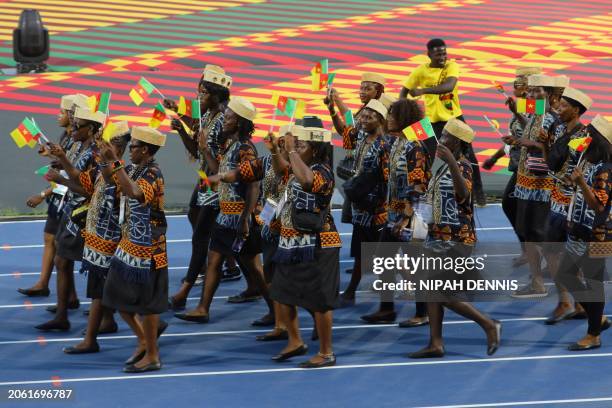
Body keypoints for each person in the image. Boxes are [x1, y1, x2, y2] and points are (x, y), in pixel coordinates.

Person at [174, 96, 273, 324]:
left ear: (238, 123)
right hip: (224, 214)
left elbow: (253, 184)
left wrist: (246, 219)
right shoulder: (231, 146)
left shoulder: (246, 149)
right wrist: (204, 150)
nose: (224, 121)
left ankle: (277, 311)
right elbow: (222, 173)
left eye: (228, 118)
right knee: (214, 260)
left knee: (255, 269)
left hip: (239, 217)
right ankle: (202, 308)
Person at [409, 119, 501, 359]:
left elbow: (464, 195)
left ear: (458, 143)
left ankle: (488, 325)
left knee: (442, 293)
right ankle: (435, 343)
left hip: (457, 239)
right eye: (443, 135)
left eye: (448, 137)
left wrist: (451, 162)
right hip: (436, 237)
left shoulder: (464, 166)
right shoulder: (440, 169)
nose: (442, 140)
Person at [49, 122, 133, 353]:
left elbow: (111, 181)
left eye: (107, 141)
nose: (101, 144)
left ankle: (150, 332)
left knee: (117, 294)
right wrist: (63, 166)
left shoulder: (122, 171)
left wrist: (107, 160)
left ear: (118, 145)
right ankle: (94, 337)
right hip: (98, 239)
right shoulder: (104, 166)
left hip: (110, 240)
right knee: (102, 291)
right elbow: (82, 180)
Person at [164, 65, 240, 311]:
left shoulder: (223, 122)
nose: (198, 97)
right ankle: (234, 267)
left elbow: (217, 161)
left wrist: (203, 147)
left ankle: (186, 289)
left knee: (202, 236)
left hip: (218, 183)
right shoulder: (209, 116)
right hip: (207, 180)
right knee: (197, 220)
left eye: (204, 93)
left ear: (217, 96)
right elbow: (197, 147)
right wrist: (182, 123)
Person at [267, 124, 342, 368]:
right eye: (296, 143)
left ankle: (326, 352)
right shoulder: (297, 166)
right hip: (290, 241)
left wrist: (291, 152)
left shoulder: (323, 171)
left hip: (319, 244)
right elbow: (281, 173)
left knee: (319, 300)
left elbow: (308, 182)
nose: (297, 147)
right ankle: (295, 340)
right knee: (283, 292)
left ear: (316, 149)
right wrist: (276, 152)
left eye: (302, 145)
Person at [101, 126, 169, 373]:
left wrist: (116, 163)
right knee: (115, 296)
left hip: (150, 249)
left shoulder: (152, 173)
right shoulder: (132, 168)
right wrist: (106, 160)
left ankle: (152, 355)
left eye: (134, 147)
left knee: (147, 306)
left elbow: (135, 192)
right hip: (129, 244)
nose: (130, 150)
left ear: (146, 150)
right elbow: (111, 179)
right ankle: (143, 340)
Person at [360, 99, 431, 326]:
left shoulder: (414, 146)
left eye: (392, 115)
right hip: (393, 215)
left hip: (410, 217)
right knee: (383, 258)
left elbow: (419, 184)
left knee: (414, 266)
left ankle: (424, 312)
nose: (388, 118)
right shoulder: (396, 143)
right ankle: (387, 308)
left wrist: (406, 216)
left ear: (404, 119)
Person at [35, 106, 105, 331]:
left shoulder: (95, 154)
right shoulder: (79, 146)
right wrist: (61, 159)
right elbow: (73, 173)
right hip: (71, 210)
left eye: (78, 126)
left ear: (91, 129)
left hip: (86, 216)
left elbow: (90, 190)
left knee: (97, 268)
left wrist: (61, 179)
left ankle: (107, 317)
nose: (72, 128)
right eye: (73, 124)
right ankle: (64, 313)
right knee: (62, 261)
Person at [399, 38, 486, 207]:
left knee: (469, 157)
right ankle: (422, 194)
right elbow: (404, 92)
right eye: (438, 54)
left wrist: (423, 90)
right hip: (432, 122)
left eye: (444, 53)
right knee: (424, 157)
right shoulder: (420, 71)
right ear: (429, 54)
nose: (442, 56)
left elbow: (449, 86)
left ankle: (479, 195)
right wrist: (404, 113)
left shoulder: (452, 66)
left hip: (455, 121)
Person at [19, 94, 86, 298]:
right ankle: (54, 288)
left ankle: (68, 296)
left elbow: (70, 176)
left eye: (62, 112)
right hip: (59, 195)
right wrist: (51, 156)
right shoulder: (67, 137)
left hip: (67, 198)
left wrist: (42, 194)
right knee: (52, 240)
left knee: (62, 249)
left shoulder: (78, 141)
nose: (58, 116)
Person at [556, 115, 611, 351]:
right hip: (579, 228)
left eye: (589, 134)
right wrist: (572, 181)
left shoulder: (606, 169)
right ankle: (597, 318)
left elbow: (599, 205)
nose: (585, 136)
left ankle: (593, 335)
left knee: (593, 281)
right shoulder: (587, 160)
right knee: (565, 274)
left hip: (597, 233)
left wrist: (581, 184)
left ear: (598, 140)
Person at [507, 74, 564, 298]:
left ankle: (560, 289)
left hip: (541, 186)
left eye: (537, 90)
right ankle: (537, 281)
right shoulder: (535, 114)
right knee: (528, 232)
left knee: (539, 235)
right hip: (525, 181)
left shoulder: (552, 119)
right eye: (530, 90)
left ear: (548, 93)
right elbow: (528, 131)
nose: (531, 94)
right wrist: (516, 116)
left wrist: (529, 143)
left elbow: (557, 152)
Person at [542, 87, 592, 324]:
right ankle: (566, 301)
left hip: (573, 204)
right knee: (552, 250)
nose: (558, 109)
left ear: (576, 110)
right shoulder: (561, 130)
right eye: (558, 105)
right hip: (556, 200)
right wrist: (543, 145)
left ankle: (579, 303)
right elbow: (550, 164)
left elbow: (560, 162)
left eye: (563, 106)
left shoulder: (583, 137)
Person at [482, 67, 541, 268]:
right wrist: (494, 157)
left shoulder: (535, 107)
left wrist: (517, 111)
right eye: (514, 83)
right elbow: (514, 140)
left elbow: (532, 134)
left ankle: (534, 251)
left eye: (518, 83)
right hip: (519, 166)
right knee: (514, 206)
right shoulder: (520, 107)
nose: (514, 87)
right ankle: (529, 248)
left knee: (514, 205)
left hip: (531, 168)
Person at [337, 99, 389, 306]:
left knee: (383, 256)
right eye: (362, 117)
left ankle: (352, 292)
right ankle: (351, 292)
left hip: (377, 209)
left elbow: (387, 178)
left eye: (369, 117)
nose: (364, 121)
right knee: (362, 252)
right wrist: (332, 108)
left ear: (381, 120)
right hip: (360, 205)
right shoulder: (360, 138)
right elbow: (343, 130)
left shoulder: (385, 145)